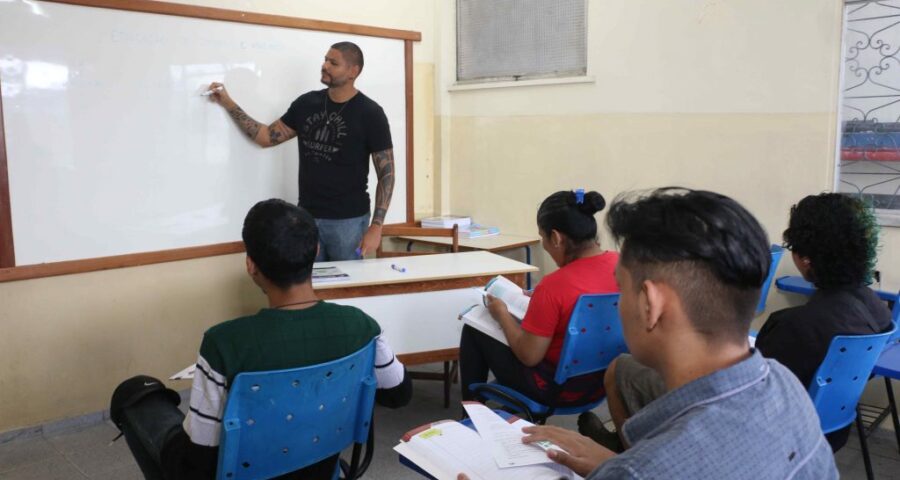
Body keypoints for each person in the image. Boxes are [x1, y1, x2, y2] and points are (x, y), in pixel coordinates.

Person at [516, 188, 837, 479]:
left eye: (621, 289)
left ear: (650, 305)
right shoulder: (786, 384)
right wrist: (609, 465)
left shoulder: (641, 472)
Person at [109, 199, 412, 479]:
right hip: (323, 469)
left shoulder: (223, 344)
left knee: (137, 393)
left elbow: (199, 463)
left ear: (251, 265)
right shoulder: (362, 327)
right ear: (316, 250)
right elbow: (399, 394)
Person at [207, 41, 394, 261]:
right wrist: (228, 103)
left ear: (354, 71)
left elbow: (386, 174)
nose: (325, 65)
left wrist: (377, 226)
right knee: (308, 289)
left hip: (348, 223)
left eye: (333, 62)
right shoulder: (307, 104)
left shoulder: (370, 113)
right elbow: (266, 137)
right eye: (325, 59)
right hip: (306, 219)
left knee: (346, 291)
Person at [755, 193, 893, 451]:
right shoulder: (878, 311)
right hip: (833, 434)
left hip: (782, 444)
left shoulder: (792, 326)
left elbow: (754, 397)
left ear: (806, 257)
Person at [459, 190, 619, 408]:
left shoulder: (554, 285)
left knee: (475, 328)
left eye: (542, 237)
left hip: (554, 389)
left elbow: (529, 356)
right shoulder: (621, 266)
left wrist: (503, 315)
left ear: (556, 237)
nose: (544, 244)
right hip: (603, 383)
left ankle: (470, 413)